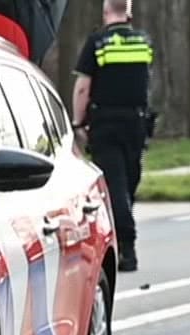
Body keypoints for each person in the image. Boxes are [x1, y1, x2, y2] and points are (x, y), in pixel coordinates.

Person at [73, 0, 155, 274]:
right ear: (129, 12)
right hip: (136, 124)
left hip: (106, 123)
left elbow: (83, 87)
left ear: (106, 11)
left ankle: (126, 246)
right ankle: (122, 239)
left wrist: (77, 122)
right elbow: (145, 82)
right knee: (128, 184)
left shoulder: (98, 43)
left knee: (115, 188)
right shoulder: (143, 42)